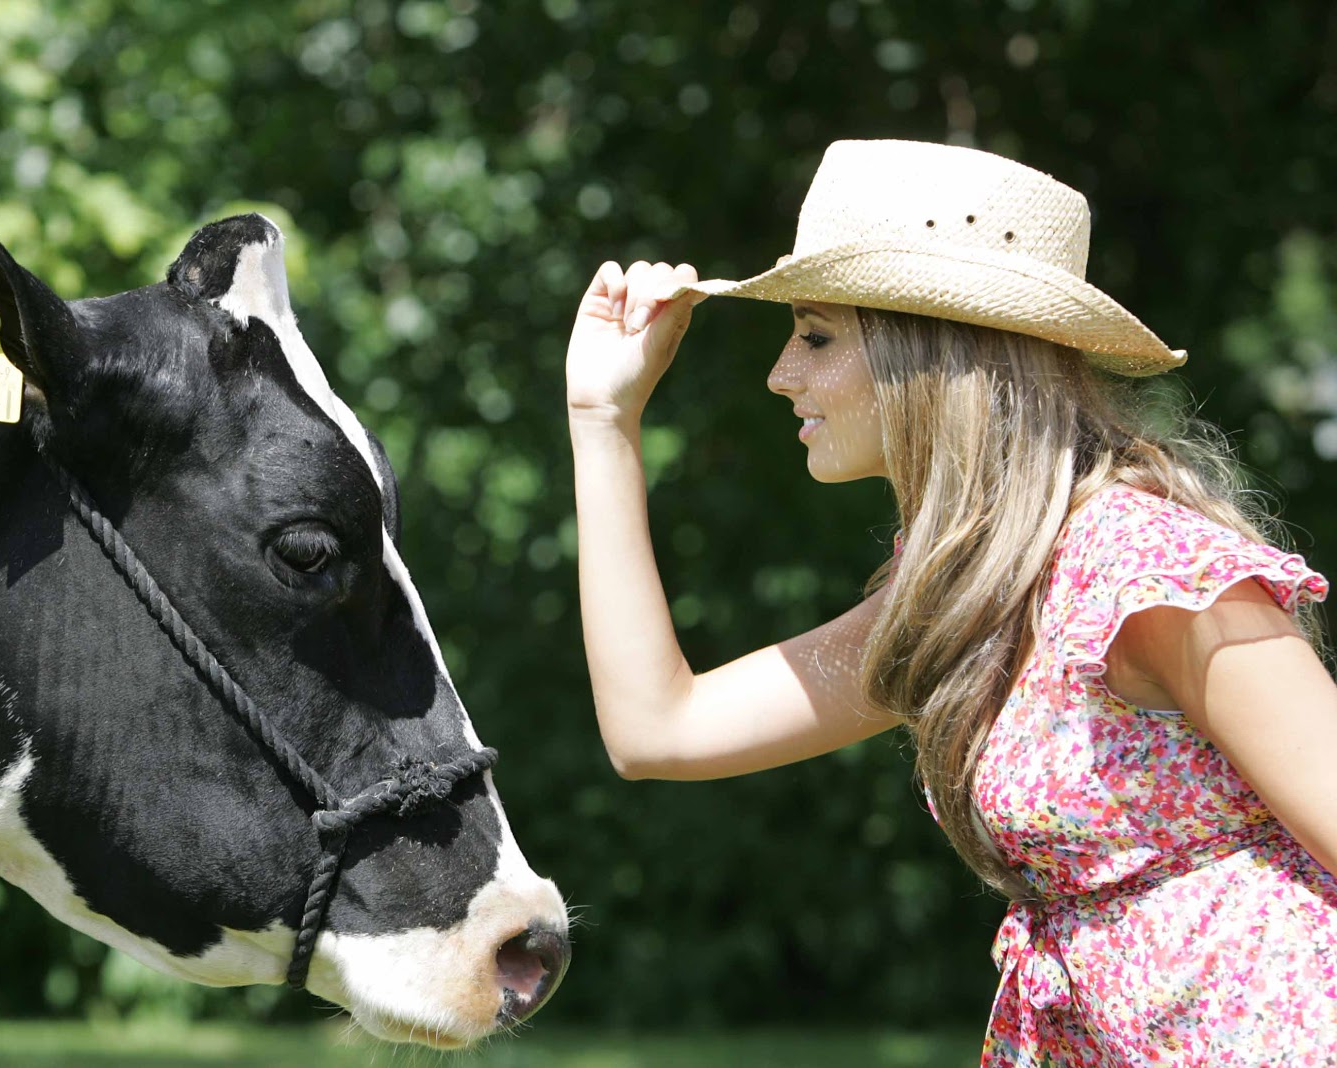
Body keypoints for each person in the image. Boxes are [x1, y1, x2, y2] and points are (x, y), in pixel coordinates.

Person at [565, 139, 1337, 1065]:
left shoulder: (1149, 573)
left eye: (815, 335)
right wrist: (602, 423)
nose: (781, 374)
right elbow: (660, 729)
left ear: (931, 354)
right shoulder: (969, 592)